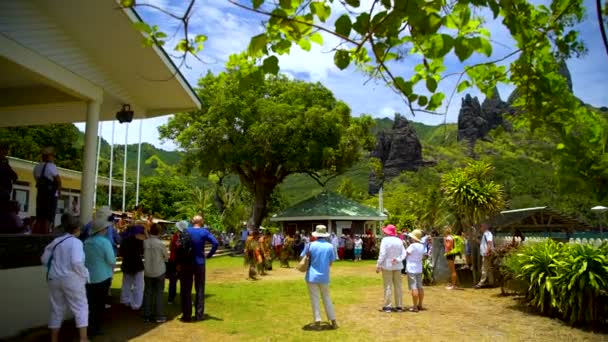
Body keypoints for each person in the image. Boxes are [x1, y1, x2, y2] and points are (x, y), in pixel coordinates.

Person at [41, 215, 89, 342]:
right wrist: (85, 274)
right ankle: (83, 339)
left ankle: (54, 339)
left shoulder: (56, 241)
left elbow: (44, 259)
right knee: (81, 307)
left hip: (54, 278)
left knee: (57, 309)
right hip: (72, 279)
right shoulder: (76, 242)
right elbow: (76, 262)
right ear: (77, 228)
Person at [179, 215, 218, 322]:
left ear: (192, 221)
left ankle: (186, 315)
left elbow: (180, 246)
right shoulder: (204, 232)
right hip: (199, 262)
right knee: (200, 288)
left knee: (186, 289)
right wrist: (209, 254)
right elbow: (215, 242)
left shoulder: (185, 231)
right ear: (202, 222)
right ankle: (199, 315)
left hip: (187, 263)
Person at [83, 211, 115, 337]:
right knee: (100, 304)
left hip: (89, 277)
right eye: (106, 228)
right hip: (103, 277)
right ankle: (96, 328)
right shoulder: (104, 242)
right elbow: (112, 260)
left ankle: (90, 328)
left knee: (91, 304)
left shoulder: (87, 241)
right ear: (103, 229)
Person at [301, 225, 338, 329]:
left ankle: (317, 323)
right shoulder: (330, 246)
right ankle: (333, 321)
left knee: (315, 299)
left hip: (311, 276)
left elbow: (302, 257)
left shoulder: (310, 245)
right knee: (327, 298)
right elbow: (331, 262)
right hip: (324, 276)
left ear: (316, 234)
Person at [376, 224, 407, 313]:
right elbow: (404, 254)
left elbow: (382, 254)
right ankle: (399, 306)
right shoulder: (399, 240)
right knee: (398, 286)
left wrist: (378, 265)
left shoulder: (385, 240)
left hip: (387, 266)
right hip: (397, 265)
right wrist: (397, 259)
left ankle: (388, 306)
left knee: (388, 286)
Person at [143, 223, 168, 323]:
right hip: (159, 270)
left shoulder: (145, 242)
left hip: (148, 270)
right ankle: (159, 315)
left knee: (148, 292)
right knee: (159, 293)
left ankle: (147, 315)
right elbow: (166, 257)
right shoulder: (161, 244)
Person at [33, 147, 62, 234]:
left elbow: (36, 179)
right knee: (48, 216)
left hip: (40, 193)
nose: (53, 158)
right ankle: (45, 235)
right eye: (52, 156)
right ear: (48, 156)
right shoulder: (51, 166)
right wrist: (59, 190)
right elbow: (58, 180)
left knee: (40, 215)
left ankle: (36, 234)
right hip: (50, 194)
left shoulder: (37, 167)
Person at [120, 224, 145, 310]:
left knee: (126, 284)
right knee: (138, 286)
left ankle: (125, 300)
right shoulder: (139, 241)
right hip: (137, 264)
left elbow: (121, 253)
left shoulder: (124, 240)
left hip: (127, 264)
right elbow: (142, 252)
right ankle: (136, 304)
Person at [168, 221, 188, 304]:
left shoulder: (175, 236)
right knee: (184, 281)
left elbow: (170, 248)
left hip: (174, 260)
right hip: (181, 261)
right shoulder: (185, 237)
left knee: (173, 281)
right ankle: (185, 298)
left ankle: (171, 298)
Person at [406, 229, 426, 312]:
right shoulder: (422, 246)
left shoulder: (412, 246)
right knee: (420, 287)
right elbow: (424, 255)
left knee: (414, 288)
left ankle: (414, 306)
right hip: (419, 267)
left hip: (411, 268)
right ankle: (420, 304)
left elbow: (405, 253)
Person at [475, 223, 494, 289]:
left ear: (485, 227)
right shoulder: (485, 234)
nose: (480, 228)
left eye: (481, 226)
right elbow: (485, 243)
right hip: (486, 253)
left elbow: (489, 242)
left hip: (487, 254)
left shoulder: (487, 233)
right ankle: (491, 282)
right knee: (488, 268)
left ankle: (481, 283)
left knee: (484, 268)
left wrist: (487, 251)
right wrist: (478, 241)